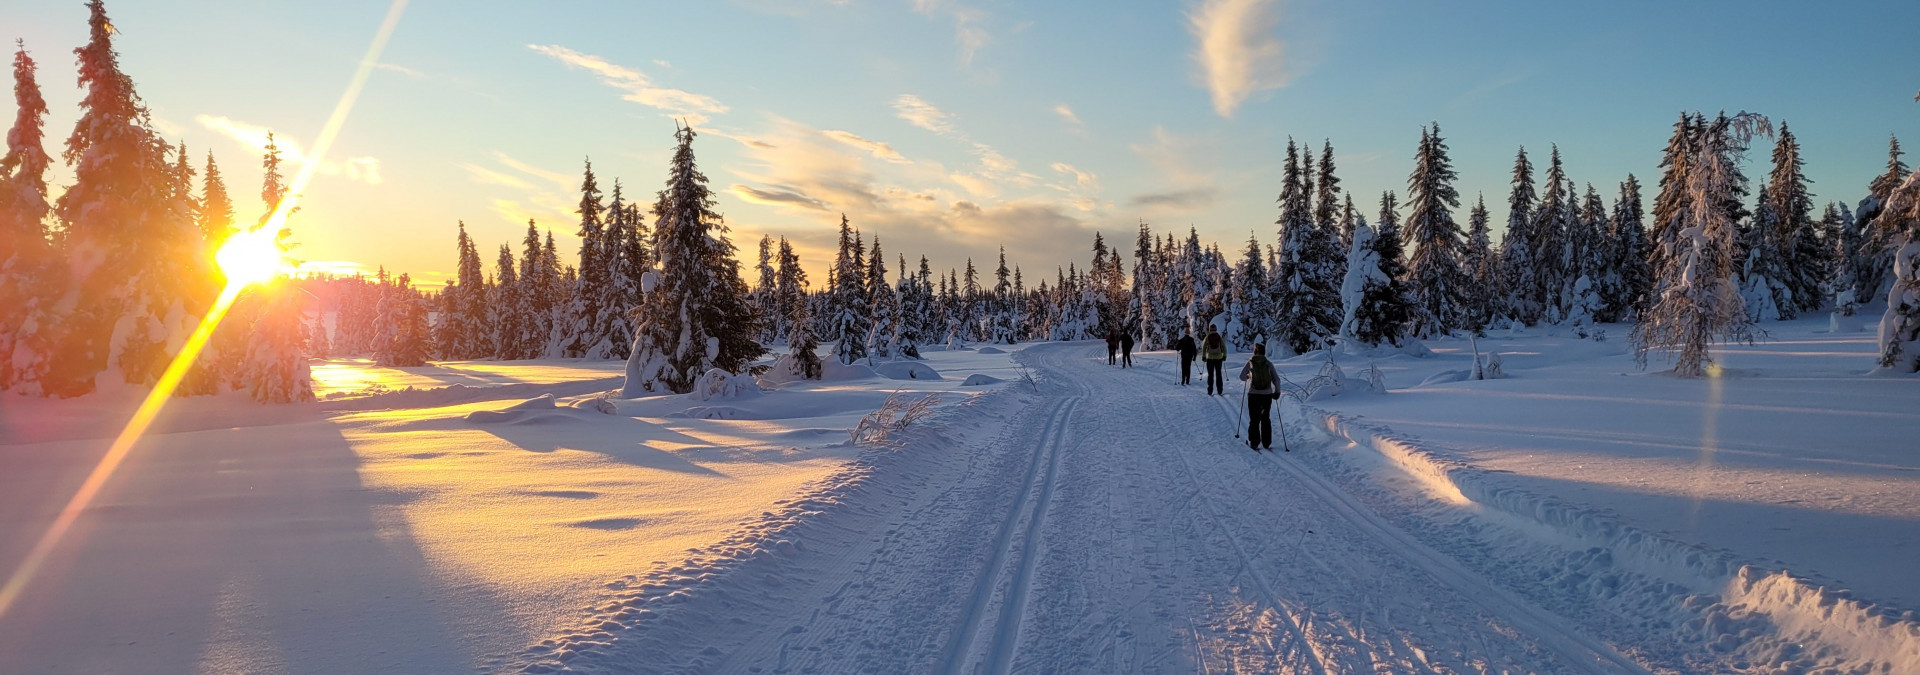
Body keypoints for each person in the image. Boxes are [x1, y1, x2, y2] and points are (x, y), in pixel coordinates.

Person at [1239, 343, 1282, 451]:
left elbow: (1242, 377)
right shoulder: (1268, 363)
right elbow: (1276, 379)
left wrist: (1248, 376)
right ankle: (1266, 442)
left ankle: (1254, 442)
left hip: (1253, 394)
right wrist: (1277, 391)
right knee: (1265, 418)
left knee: (1254, 419)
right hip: (1267, 395)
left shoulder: (1250, 362)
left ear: (1255, 352)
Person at [1202, 326, 1227, 395]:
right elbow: (1224, 347)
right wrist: (1224, 356)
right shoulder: (1219, 337)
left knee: (1210, 375)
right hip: (1219, 358)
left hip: (1210, 358)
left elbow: (1204, 347)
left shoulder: (1207, 337)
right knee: (1218, 374)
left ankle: (1210, 390)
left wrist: (1204, 356)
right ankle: (1220, 390)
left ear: (1210, 329)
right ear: (1216, 329)